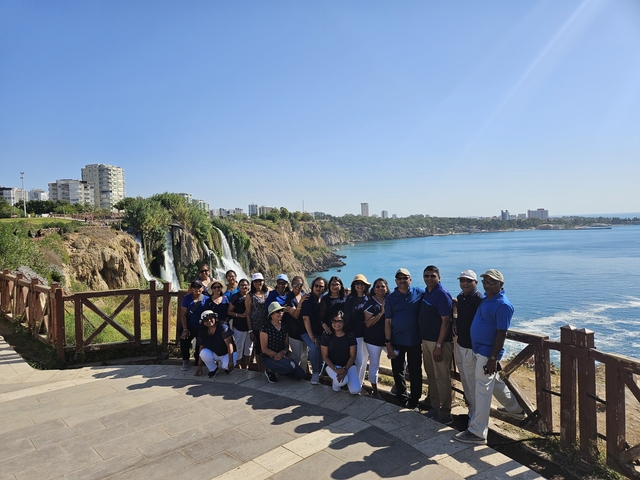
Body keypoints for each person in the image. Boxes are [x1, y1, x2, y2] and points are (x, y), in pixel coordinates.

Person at [454, 269, 525, 445]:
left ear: (501, 284)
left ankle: (477, 432)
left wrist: (493, 358)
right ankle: (515, 409)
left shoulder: (503, 305)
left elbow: (502, 333)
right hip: (479, 351)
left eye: (492, 282)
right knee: (494, 384)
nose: (488, 285)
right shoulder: (487, 298)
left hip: (487, 354)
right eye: (486, 281)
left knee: (482, 390)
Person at [418, 265, 454, 425]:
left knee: (442, 377)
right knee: (431, 375)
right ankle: (434, 406)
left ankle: (445, 412)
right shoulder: (428, 292)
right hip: (426, 341)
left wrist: (439, 345)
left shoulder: (442, 294)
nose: (429, 278)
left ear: (439, 277)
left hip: (438, 343)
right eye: (426, 276)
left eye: (432, 276)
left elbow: (446, 321)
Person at [385, 268, 424, 409]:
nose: (402, 280)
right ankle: (402, 397)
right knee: (398, 371)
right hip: (396, 341)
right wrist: (388, 343)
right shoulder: (390, 298)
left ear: (410, 279)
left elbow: (434, 298)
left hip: (414, 340)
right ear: (396, 281)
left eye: (405, 278)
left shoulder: (419, 292)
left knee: (415, 371)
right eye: (399, 278)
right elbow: (387, 321)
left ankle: (415, 400)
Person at [452, 270, 483, 420]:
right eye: (462, 280)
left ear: (475, 283)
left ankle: (476, 417)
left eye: (468, 281)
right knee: (465, 379)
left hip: (472, 347)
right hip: (461, 344)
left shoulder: (480, 299)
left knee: (472, 383)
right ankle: (472, 412)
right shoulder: (460, 297)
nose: (464, 283)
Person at [260, 302, 306, 383]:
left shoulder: (284, 326)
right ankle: (270, 371)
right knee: (289, 367)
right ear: (271, 314)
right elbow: (264, 349)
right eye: (277, 311)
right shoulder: (265, 327)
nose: (280, 313)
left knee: (301, 375)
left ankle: (282, 369)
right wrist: (276, 355)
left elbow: (286, 346)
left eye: (281, 311)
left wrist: (282, 353)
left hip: (282, 355)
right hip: (268, 357)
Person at [321, 311, 361, 394]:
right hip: (332, 366)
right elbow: (325, 356)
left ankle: (346, 379)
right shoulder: (326, 335)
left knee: (355, 391)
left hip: (348, 366)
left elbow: (352, 356)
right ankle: (335, 384)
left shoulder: (350, 335)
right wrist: (335, 369)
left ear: (344, 322)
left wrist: (345, 370)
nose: (337, 324)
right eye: (334, 321)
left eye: (339, 321)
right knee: (342, 381)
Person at [363, 278, 389, 399]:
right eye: (378, 287)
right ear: (374, 289)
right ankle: (375, 391)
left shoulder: (389, 300)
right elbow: (368, 323)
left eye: (382, 286)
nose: (380, 289)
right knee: (374, 365)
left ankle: (397, 387)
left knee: (402, 360)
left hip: (387, 338)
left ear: (386, 288)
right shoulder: (370, 303)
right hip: (373, 339)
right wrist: (381, 313)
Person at [344, 274, 370, 387]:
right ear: (354, 285)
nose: (359, 286)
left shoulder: (369, 298)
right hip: (356, 334)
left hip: (368, 334)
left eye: (362, 284)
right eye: (357, 283)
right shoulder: (350, 299)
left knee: (364, 360)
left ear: (365, 286)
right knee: (358, 360)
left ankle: (359, 382)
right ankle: (353, 383)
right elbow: (347, 318)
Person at [301, 277, 328, 385]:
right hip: (306, 331)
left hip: (320, 331)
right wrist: (311, 337)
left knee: (324, 349)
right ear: (312, 287)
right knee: (314, 347)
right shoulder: (308, 299)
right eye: (316, 285)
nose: (318, 288)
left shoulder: (323, 299)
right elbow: (305, 318)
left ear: (324, 288)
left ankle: (319, 372)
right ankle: (315, 373)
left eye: (321, 286)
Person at [195, 310, 237, 378]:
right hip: (215, 353)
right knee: (203, 352)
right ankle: (213, 369)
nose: (209, 321)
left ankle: (227, 367)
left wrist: (230, 362)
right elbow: (201, 347)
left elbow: (229, 345)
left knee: (226, 366)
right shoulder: (202, 331)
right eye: (206, 320)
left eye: (211, 318)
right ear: (203, 322)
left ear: (215, 318)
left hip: (227, 353)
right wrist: (199, 365)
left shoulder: (223, 328)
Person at [179, 280, 210, 371]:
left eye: (199, 287)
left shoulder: (206, 299)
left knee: (200, 344)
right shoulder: (187, 298)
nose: (197, 289)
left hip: (202, 326)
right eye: (195, 287)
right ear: (191, 289)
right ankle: (185, 360)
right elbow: (183, 315)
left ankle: (198, 362)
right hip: (189, 325)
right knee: (184, 340)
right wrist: (185, 328)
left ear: (203, 288)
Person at [282, 275, 309, 372]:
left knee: (305, 355)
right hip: (294, 332)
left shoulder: (303, 294)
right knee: (297, 356)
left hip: (304, 331)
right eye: (295, 284)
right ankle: (293, 373)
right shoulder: (289, 298)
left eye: (300, 284)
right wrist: (301, 302)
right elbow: (296, 315)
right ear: (292, 285)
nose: (297, 286)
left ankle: (302, 374)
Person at [246, 272, 270, 371]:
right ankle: (260, 370)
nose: (258, 283)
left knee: (268, 347)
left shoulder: (268, 292)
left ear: (263, 281)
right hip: (256, 326)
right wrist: (250, 331)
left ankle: (268, 368)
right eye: (255, 281)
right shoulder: (250, 295)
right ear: (253, 283)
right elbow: (248, 314)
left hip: (268, 325)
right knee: (258, 349)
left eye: (260, 281)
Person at [228, 279, 252, 368]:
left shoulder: (252, 296)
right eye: (241, 285)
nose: (243, 287)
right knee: (239, 347)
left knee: (249, 348)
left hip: (250, 327)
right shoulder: (235, 297)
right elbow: (229, 311)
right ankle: (238, 365)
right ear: (238, 287)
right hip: (239, 326)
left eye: (245, 285)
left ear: (249, 286)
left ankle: (246, 365)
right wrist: (240, 315)